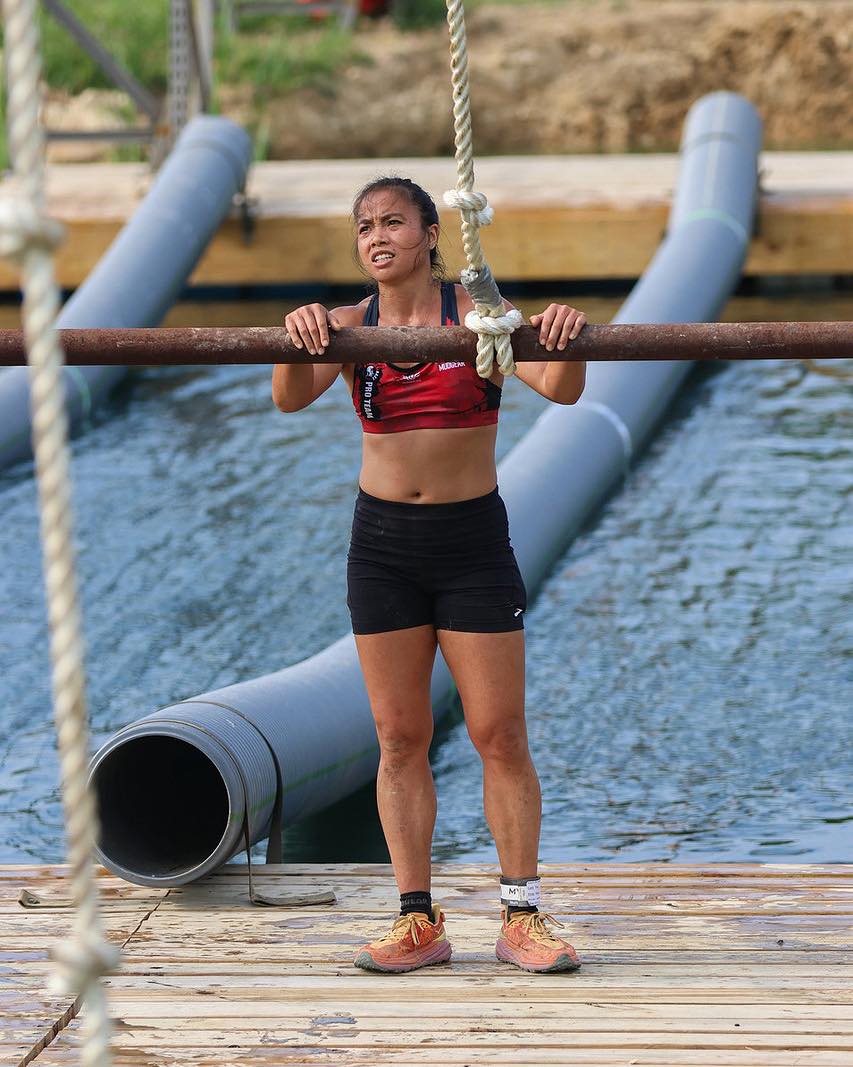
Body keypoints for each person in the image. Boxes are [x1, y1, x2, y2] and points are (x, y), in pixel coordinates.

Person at [272, 176, 587, 974]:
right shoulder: (348, 326)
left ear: (429, 233)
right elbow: (289, 398)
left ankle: (521, 914)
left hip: (472, 542)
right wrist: (295, 331)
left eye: (392, 223)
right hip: (381, 545)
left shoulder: (478, 318)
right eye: (362, 226)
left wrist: (564, 333)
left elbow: (562, 386)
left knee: (497, 733)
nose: (375, 237)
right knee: (398, 735)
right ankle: (418, 918)